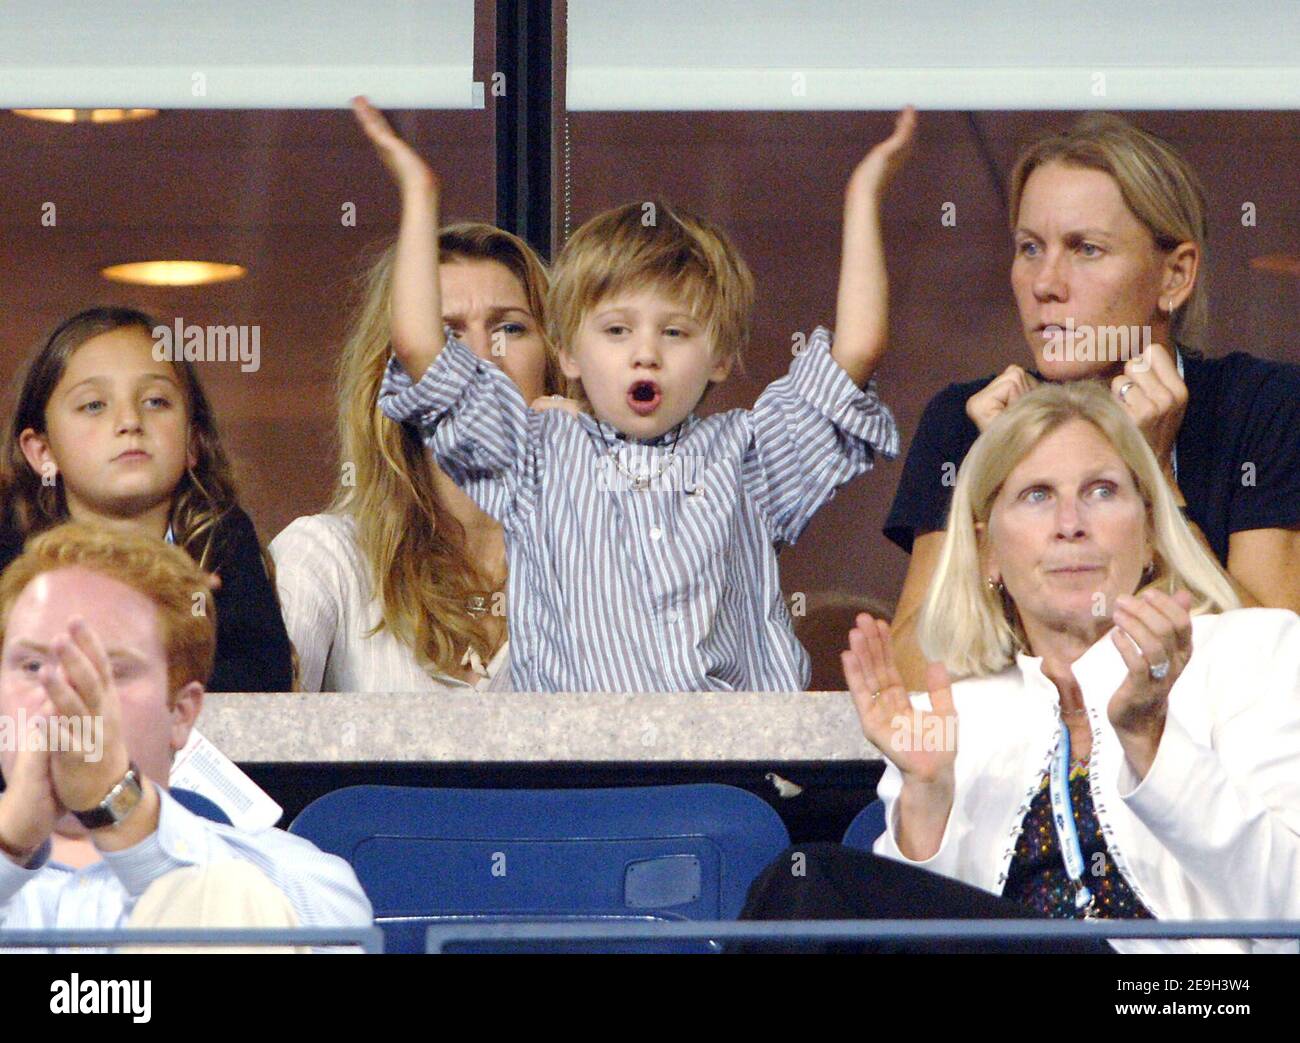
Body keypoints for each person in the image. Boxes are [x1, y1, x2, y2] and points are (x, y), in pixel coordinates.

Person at [364, 95, 905, 692]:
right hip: (578, 773)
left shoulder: (751, 456)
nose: (645, 352)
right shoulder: (534, 454)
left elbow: (856, 349)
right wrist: (419, 196)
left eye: (674, 332)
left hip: (726, 770)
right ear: (567, 353)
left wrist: (862, 197)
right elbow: (420, 347)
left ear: (721, 357)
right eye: (617, 330)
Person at [742, 381, 1300, 954]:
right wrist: (928, 797)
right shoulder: (960, 708)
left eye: (1102, 491)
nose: (1070, 523)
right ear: (988, 552)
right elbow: (929, 935)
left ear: (1152, 532)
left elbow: (1290, 908)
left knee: (812, 889)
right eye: (1036, 496)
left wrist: (1153, 743)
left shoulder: (1250, 652)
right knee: (805, 891)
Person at [886, 112, 1300, 690]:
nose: (1045, 283)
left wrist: (1150, 475)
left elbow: (1273, 668)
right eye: (1030, 248)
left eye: (1085, 249)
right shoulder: (969, 418)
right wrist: (990, 493)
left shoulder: (1262, 405)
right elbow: (909, 672)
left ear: (1174, 277)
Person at [0, 522, 371, 937]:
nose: (65, 693)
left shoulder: (301, 883)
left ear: (179, 713)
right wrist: (8, 843)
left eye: (109, 670)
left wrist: (119, 810)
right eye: (33, 666)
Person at [270, 223, 562, 692]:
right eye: (448, 334)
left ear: (555, 358)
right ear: (399, 374)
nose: (484, 358)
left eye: (510, 327)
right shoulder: (326, 559)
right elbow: (246, 746)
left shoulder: (596, 565)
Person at [0, 307, 294, 692]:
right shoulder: (12, 553)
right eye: (94, 405)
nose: (130, 421)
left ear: (193, 441)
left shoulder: (221, 541)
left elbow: (260, 684)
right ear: (42, 451)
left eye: (156, 401)